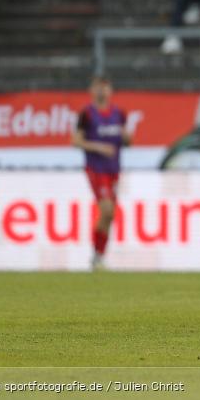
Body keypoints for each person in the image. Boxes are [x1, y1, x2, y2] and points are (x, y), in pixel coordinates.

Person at [72, 76, 132, 271]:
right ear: (91, 90)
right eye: (98, 87)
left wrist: (127, 138)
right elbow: (76, 141)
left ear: (110, 91)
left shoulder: (119, 114)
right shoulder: (87, 114)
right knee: (106, 210)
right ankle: (96, 255)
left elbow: (127, 142)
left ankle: (98, 256)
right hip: (96, 168)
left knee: (110, 215)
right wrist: (99, 147)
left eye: (105, 87)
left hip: (113, 169)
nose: (101, 91)